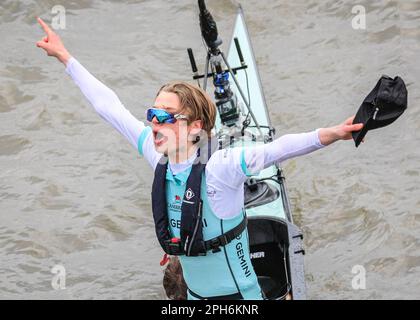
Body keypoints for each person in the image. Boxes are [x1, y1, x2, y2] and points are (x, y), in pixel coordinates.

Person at [36, 17, 364, 300]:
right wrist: (66, 57)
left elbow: (277, 149)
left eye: (166, 116)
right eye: (152, 113)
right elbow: (110, 107)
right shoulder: (157, 155)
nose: (154, 122)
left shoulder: (221, 168)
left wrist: (333, 133)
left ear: (195, 127)